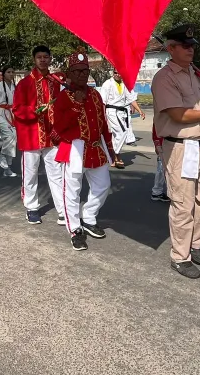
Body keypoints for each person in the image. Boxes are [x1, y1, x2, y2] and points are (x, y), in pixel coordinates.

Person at [151, 24, 200, 279]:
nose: (191, 49)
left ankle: (194, 244)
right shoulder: (164, 78)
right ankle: (180, 256)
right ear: (171, 48)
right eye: (185, 45)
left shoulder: (193, 75)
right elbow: (178, 114)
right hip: (180, 146)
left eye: (193, 45)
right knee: (183, 205)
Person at [52, 51, 117, 250]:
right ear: (70, 73)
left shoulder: (96, 95)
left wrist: (111, 149)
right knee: (72, 192)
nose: (82, 74)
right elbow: (60, 127)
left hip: (96, 148)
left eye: (85, 70)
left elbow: (103, 124)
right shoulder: (64, 97)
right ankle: (75, 229)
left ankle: (88, 217)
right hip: (75, 148)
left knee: (103, 185)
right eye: (77, 71)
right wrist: (76, 105)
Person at [13, 45, 65, 225]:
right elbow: (17, 109)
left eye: (46, 57)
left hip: (52, 136)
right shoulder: (25, 83)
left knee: (56, 173)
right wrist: (34, 111)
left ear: (50, 59)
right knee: (30, 173)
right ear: (34, 60)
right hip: (31, 135)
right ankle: (32, 207)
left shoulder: (55, 81)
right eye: (39, 57)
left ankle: (62, 209)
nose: (43, 60)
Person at [99, 69, 145, 169]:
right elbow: (103, 102)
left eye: (120, 73)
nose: (118, 75)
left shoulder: (125, 84)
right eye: (116, 73)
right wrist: (103, 116)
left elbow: (131, 99)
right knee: (122, 132)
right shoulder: (107, 84)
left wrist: (140, 111)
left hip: (122, 112)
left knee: (116, 135)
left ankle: (114, 156)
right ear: (113, 73)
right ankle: (115, 155)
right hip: (111, 112)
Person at [0, 66, 17, 177]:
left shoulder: (14, 86)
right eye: (8, 72)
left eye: (12, 72)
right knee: (9, 137)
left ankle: (7, 168)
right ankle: (2, 156)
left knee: (13, 138)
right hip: (0, 114)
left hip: (12, 114)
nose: (11, 74)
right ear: (3, 74)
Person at [150, 124, 169, 202]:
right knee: (161, 169)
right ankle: (157, 192)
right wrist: (157, 144)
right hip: (164, 144)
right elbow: (156, 130)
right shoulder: (161, 114)